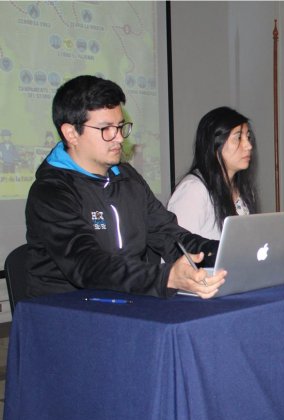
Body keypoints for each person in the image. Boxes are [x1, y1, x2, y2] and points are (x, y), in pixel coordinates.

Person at [25, 75, 224, 299]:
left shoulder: (128, 178)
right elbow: (86, 265)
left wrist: (224, 252)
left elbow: (170, 236)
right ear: (71, 134)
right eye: (106, 129)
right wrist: (164, 277)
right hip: (67, 307)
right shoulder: (51, 191)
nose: (119, 138)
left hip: (127, 300)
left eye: (120, 127)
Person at [168, 107, 258, 240]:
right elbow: (179, 248)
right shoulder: (193, 191)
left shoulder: (242, 190)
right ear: (215, 145)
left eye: (248, 137)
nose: (248, 145)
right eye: (238, 137)